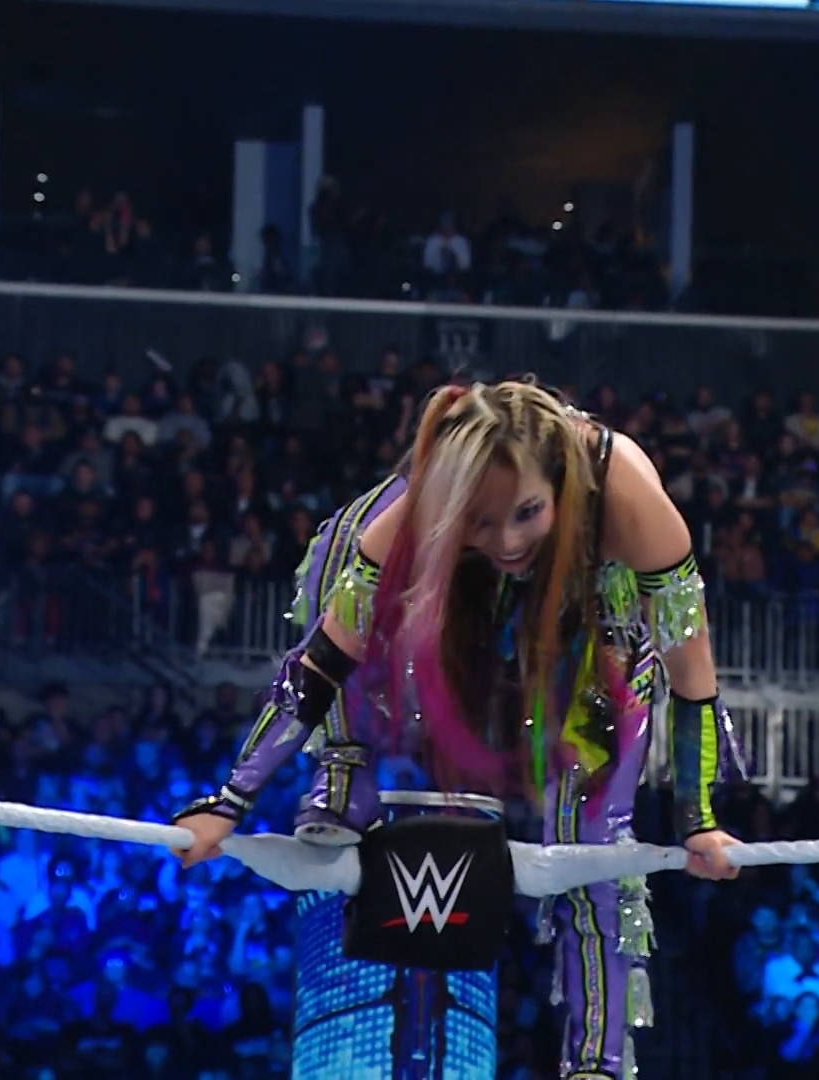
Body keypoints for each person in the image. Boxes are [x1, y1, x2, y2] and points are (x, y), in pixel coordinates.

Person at [175, 379, 740, 1080]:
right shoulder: (421, 510)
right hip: (453, 589)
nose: (507, 541)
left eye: (526, 512)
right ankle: (345, 768)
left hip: (593, 607)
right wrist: (229, 800)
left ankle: (597, 1063)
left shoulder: (627, 502)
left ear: (559, 485)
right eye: (483, 520)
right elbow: (320, 661)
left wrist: (698, 818)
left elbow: (693, 675)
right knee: (348, 555)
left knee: (596, 831)